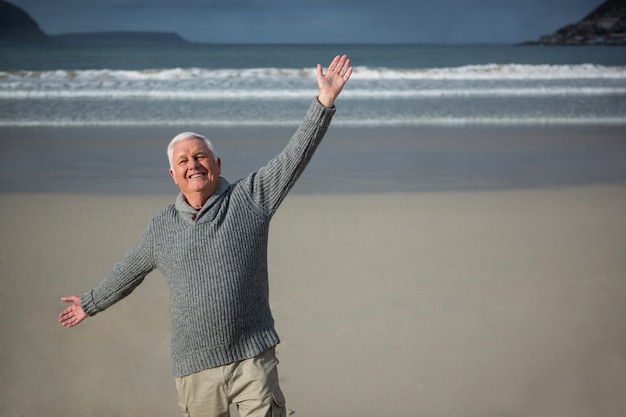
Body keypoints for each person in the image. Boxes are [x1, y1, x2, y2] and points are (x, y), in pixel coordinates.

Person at [58, 55, 353, 417]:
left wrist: (324, 103)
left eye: (200, 156)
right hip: (195, 368)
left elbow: (294, 156)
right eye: (183, 161)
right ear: (173, 175)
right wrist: (90, 302)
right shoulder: (161, 227)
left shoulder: (250, 199)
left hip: (252, 358)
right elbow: (128, 271)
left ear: (217, 164)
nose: (192, 164)